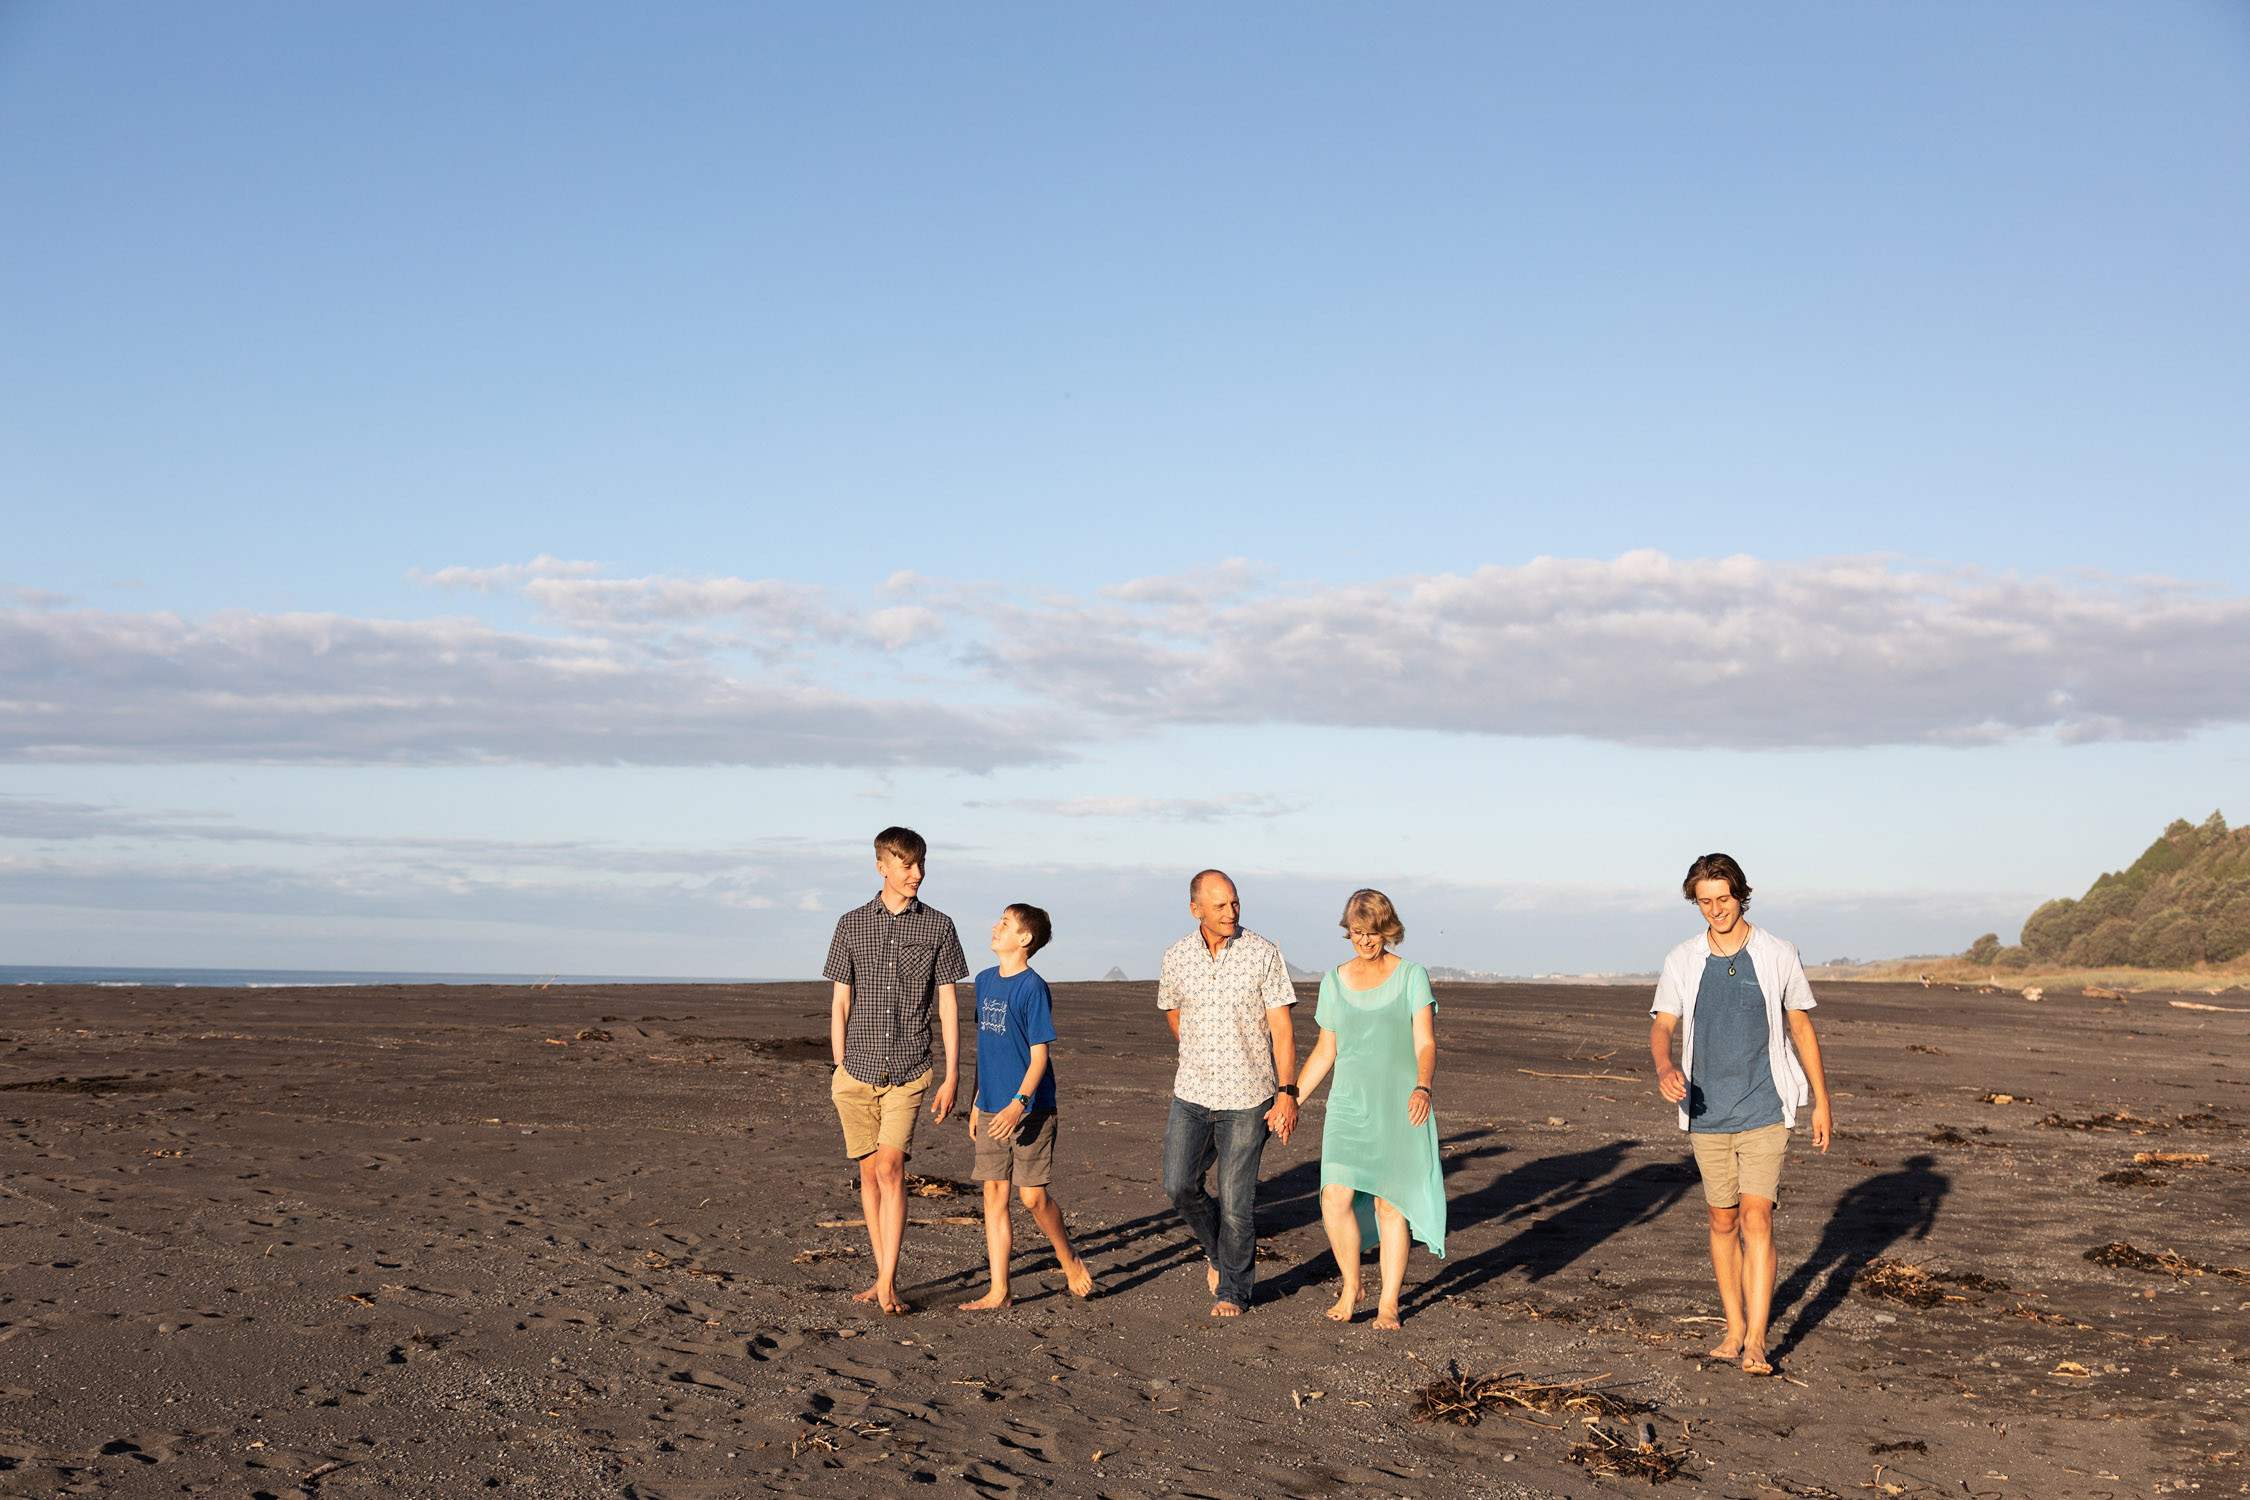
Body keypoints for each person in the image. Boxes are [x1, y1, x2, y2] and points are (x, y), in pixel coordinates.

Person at [1649, 852, 1833, 1375]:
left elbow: (1801, 1029)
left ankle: (1756, 1339)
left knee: (1757, 1218)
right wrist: (1664, 1068)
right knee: (1722, 1219)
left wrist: (1821, 1102)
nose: (1716, 910)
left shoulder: (1778, 953)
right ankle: (1732, 1328)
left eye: (1723, 899)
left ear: (1741, 894)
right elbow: (1662, 1027)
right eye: (1705, 902)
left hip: (1765, 1106)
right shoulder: (1682, 959)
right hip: (1705, 1110)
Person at [823, 826, 968, 1315]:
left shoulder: (939, 927)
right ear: (881, 865)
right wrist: (840, 1066)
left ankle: (887, 1282)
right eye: (906, 865)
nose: (917, 874)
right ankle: (881, 1273)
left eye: (921, 864)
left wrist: (951, 1075)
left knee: (891, 1168)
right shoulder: (850, 924)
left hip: (910, 1068)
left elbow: (948, 1005)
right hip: (856, 1072)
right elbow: (840, 1000)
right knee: (867, 1174)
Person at [1290, 888, 1445, 1329]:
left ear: (1388, 930)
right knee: (1334, 1195)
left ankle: (1389, 1302)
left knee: (1389, 1204)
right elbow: (1325, 1051)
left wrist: (1423, 1086)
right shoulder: (1333, 981)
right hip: (1348, 1105)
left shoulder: (1412, 976)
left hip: (1399, 1104)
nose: (1365, 940)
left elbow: (1426, 1043)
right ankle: (1352, 1283)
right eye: (1357, 932)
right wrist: (1291, 1100)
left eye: (1373, 932)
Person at [1157, 869, 1300, 1317]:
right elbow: (1174, 1012)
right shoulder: (1176, 956)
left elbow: (1282, 1029)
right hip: (1193, 1093)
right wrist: (1202, 1053)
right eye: (1219, 905)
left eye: (1235, 902)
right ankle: (1219, 1255)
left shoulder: (1263, 953)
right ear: (1195, 908)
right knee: (1178, 1185)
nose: (1231, 912)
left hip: (1249, 1097)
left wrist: (1287, 1092)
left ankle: (1234, 1291)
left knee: (1238, 1203)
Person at [958, 902, 1095, 1309]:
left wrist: (1019, 1103)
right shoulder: (983, 981)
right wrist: (977, 1102)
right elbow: (986, 1049)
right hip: (990, 1109)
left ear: (1025, 939)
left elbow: (1039, 1058)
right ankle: (1000, 1290)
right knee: (993, 1194)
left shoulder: (1032, 987)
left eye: (1004, 923)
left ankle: (1067, 1257)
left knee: (1032, 1198)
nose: (994, 928)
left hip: (1031, 1109)